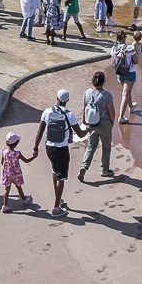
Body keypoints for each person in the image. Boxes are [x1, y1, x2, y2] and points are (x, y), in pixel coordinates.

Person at [32, 88, 87, 216]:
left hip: (49, 147)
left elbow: (40, 131)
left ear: (57, 98)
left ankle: (58, 198)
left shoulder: (47, 112)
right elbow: (79, 133)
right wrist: (88, 130)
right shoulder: (70, 115)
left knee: (54, 171)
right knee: (61, 177)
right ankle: (57, 208)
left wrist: (35, 148)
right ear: (67, 100)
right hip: (61, 149)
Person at [78, 70, 117, 182]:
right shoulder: (107, 95)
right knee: (106, 147)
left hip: (91, 125)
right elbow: (112, 112)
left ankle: (84, 166)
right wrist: (112, 123)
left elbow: (83, 109)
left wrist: (85, 123)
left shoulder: (87, 93)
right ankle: (104, 169)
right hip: (104, 125)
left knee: (90, 147)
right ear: (104, 81)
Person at [0, 132, 35, 213]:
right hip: (16, 174)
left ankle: (4, 206)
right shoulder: (17, 154)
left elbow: (2, 162)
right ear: (15, 144)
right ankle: (24, 199)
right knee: (18, 186)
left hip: (7, 174)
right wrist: (34, 156)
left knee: (7, 189)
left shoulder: (4, 151)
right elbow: (26, 161)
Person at [111, 31, 141, 124]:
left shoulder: (114, 48)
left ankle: (131, 106)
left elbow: (112, 62)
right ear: (124, 38)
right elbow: (136, 61)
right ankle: (121, 117)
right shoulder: (128, 48)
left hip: (119, 72)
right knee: (125, 93)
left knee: (127, 91)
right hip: (129, 72)